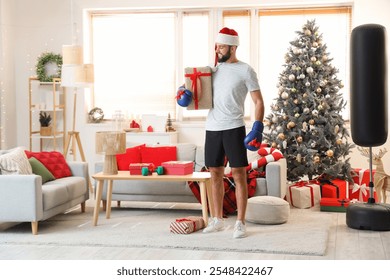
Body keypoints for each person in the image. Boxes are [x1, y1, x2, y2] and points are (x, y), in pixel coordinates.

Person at [202, 27, 265, 238]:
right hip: (212, 128)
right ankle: (217, 219)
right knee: (215, 175)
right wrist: (183, 93)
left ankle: (240, 222)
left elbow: (258, 101)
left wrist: (258, 126)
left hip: (234, 127)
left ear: (233, 47)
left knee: (239, 175)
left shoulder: (245, 70)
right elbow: (195, 95)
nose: (218, 50)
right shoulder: (211, 70)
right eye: (217, 46)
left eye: (221, 46)